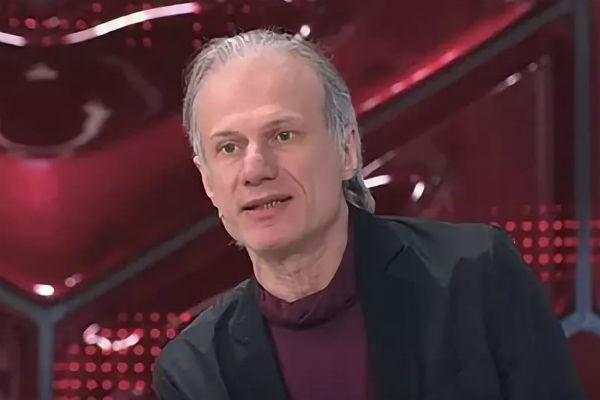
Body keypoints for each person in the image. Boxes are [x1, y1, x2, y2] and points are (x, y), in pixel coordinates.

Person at [153, 29, 585, 400]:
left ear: (347, 150)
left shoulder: (476, 277)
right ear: (208, 181)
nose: (255, 169)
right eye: (229, 147)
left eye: (282, 135)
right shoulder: (195, 372)